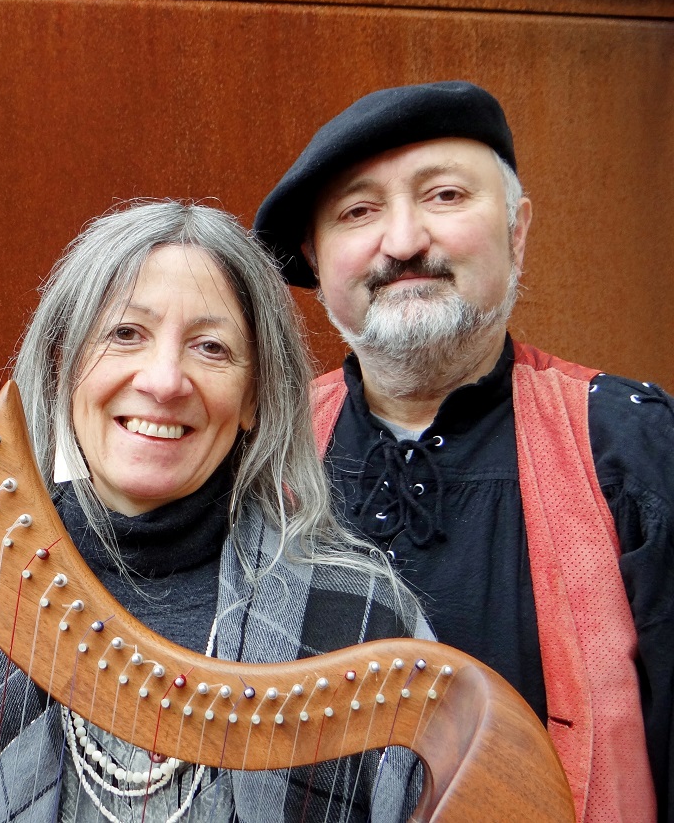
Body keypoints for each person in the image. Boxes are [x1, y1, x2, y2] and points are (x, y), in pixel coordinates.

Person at [0, 200, 432, 823]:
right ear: (64, 366)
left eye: (211, 348)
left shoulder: (361, 616)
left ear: (254, 397)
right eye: (125, 334)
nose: (165, 380)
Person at [252, 80, 672, 823]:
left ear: (517, 230)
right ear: (317, 260)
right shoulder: (263, 453)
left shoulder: (632, 449)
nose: (405, 241)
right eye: (359, 211)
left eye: (444, 196)